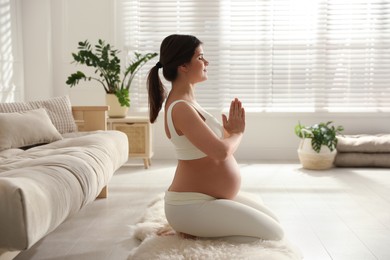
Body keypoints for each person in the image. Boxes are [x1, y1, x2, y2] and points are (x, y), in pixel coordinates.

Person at [147, 34, 284, 242]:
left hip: (208, 198)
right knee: (274, 234)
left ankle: (196, 229)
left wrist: (228, 134)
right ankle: (194, 231)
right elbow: (221, 152)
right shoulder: (180, 107)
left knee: (274, 221)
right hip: (190, 205)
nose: (206, 62)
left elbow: (213, 149)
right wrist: (237, 133)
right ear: (183, 65)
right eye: (200, 57)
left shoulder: (187, 102)